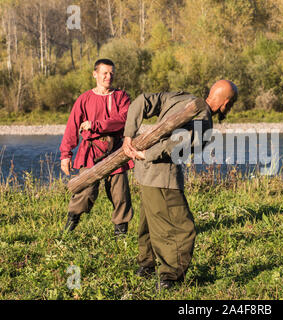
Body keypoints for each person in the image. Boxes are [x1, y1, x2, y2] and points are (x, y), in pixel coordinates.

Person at [122, 80, 238, 290]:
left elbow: (142, 100)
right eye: (231, 104)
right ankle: (170, 277)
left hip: (144, 172)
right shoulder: (204, 119)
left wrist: (129, 135)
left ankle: (146, 265)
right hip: (162, 176)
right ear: (226, 103)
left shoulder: (182, 98)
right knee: (182, 228)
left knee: (150, 220)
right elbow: (178, 144)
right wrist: (148, 154)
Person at [60, 59, 134, 236]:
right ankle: (67, 232)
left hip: (116, 148)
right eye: (105, 73)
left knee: (120, 194)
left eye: (111, 73)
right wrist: (65, 154)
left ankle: (121, 235)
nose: (109, 77)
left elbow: (123, 120)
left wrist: (95, 125)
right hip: (91, 150)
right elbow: (72, 127)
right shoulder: (84, 99)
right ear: (95, 74)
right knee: (86, 191)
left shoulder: (122, 97)